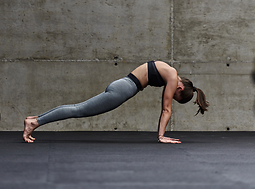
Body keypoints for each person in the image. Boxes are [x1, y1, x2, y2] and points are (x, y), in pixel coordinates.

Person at [23, 61, 209, 144]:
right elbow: (166, 109)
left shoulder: (169, 70)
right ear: (180, 89)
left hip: (123, 84)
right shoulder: (171, 76)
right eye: (176, 97)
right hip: (123, 89)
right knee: (79, 110)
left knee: (78, 108)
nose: (171, 97)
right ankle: (35, 122)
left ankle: (35, 119)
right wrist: (161, 136)